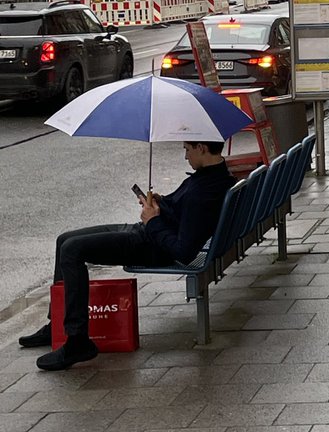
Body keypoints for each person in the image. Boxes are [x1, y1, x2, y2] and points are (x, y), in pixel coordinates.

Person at [19, 141, 236, 371]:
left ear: (202, 147)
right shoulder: (213, 176)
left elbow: (183, 251)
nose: (185, 156)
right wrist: (161, 202)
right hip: (145, 232)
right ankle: (57, 324)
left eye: (187, 149)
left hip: (149, 245)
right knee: (64, 240)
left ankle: (77, 340)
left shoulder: (204, 193)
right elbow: (182, 209)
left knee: (72, 250)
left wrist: (152, 221)